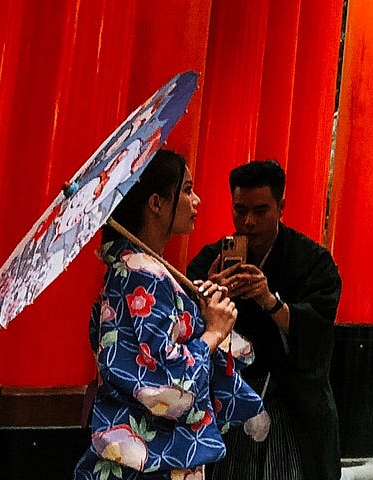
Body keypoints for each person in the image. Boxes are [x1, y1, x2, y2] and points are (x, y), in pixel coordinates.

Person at [76, 149, 267, 479]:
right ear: (156, 203)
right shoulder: (144, 275)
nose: (197, 201)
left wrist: (198, 303)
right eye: (187, 189)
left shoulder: (141, 269)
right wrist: (212, 332)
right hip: (151, 459)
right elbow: (163, 382)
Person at [190, 160, 344, 480]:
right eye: (240, 209)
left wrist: (269, 300)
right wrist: (207, 293)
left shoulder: (313, 260)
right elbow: (187, 325)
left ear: (281, 207)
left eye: (260, 211)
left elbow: (317, 328)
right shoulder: (211, 260)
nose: (248, 221)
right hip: (229, 399)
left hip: (289, 398)